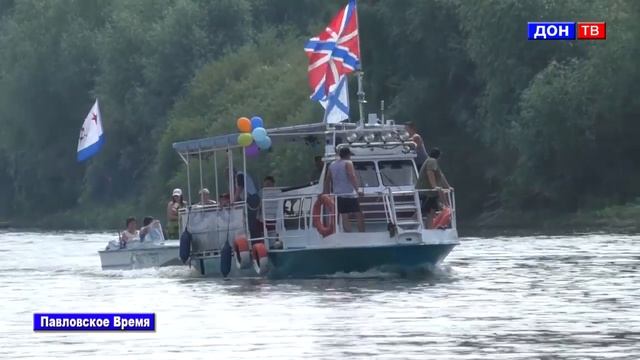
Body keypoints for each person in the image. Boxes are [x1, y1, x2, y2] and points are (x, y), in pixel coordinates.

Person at [324, 147, 365, 232]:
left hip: (338, 194)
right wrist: (358, 190)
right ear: (348, 155)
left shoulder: (332, 165)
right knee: (359, 213)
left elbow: (327, 180)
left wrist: (326, 193)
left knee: (344, 215)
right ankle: (362, 233)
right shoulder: (348, 163)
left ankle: (348, 233)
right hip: (349, 194)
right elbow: (352, 176)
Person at [416, 147, 453, 228]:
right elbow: (430, 172)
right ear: (438, 156)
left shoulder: (432, 162)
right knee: (430, 210)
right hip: (427, 192)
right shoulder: (432, 161)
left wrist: (448, 187)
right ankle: (445, 207)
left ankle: (432, 227)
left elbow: (441, 176)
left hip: (431, 193)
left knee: (432, 211)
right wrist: (434, 186)